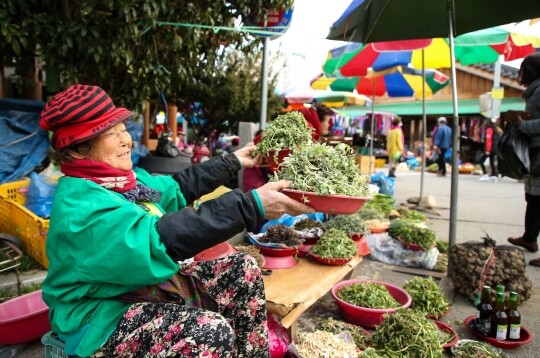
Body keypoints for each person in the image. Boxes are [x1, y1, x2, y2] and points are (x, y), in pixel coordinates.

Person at [39, 84, 315, 357]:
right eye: (112, 134)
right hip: (100, 314)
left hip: (136, 288)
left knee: (242, 268)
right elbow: (154, 242)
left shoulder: (122, 182)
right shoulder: (80, 210)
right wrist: (249, 205)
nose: (126, 140)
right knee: (208, 333)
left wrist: (232, 162)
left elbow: (175, 188)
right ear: (78, 150)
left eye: (123, 129)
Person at [506, 53, 540, 267]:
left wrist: (521, 124)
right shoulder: (534, 91)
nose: (520, 74)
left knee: (537, 198)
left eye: (522, 70)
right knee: (533, 196)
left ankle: (530, 237)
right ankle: (529, 238)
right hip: (535, 150)